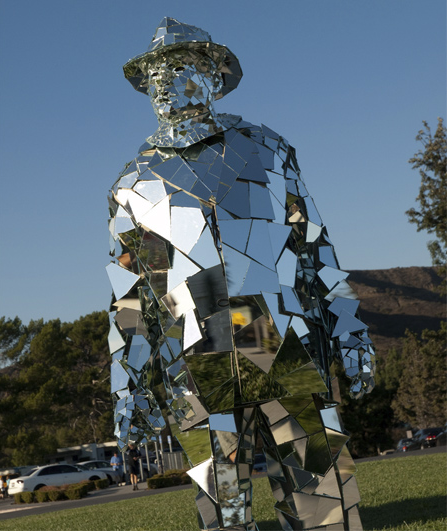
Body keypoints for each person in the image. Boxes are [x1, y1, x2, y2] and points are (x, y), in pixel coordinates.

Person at [107, 17, 376, 531]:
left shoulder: (266, 149)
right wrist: (129, 386)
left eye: (179, 69)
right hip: (193, 348)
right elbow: (132, 296)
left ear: (213, 74)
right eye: (155, 76)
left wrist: (350, 327)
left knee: (320, 490)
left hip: (276, 332)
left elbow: (313, 245)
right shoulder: (133, 185)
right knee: (223, 505)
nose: (164, 84)